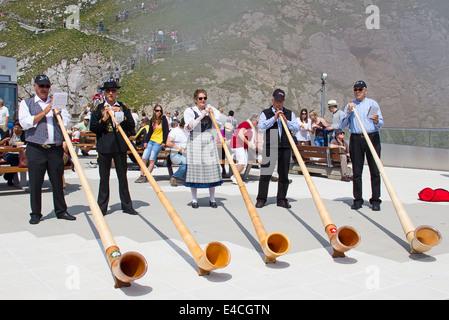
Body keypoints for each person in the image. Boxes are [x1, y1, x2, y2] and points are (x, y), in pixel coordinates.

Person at [18, 74, 75, 224]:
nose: (44, 89)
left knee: (57, 181)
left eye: (47, 86)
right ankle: (36, 213)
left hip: (54, 148)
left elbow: (67, 122)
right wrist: (44, 112)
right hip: (36, 148)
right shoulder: (27, 103)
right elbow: (24, 123)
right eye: (41, 86)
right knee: (36, 182)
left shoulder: (57, 103)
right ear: (35, 86)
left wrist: (59, 113)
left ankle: (61, 210)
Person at [90, 80, 138, 215]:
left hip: (120, 147)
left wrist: (120, 114)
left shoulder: (123, 107)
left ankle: (127, 206)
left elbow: (131, 125)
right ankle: (102, 208)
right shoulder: (99, 108)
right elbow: (93, 127)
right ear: (104, 93)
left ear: (117, 93)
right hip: (104, 148)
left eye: (113, 91)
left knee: (122, 178)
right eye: (108, 91)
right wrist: (104, 118)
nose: (111, 93)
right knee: (104, 179)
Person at [340, 80, 384, 211]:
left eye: (360, 89)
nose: (357, 92)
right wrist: (348, 112)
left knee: (375, 171)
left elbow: (380, 123)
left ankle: (375, 200)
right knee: (357, 171)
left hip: (372, 137)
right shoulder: (351, 106)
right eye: (355, 89)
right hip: (356, 139)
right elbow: (342, 125)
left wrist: (376, 120)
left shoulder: (372, 104)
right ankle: (358, 200)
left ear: (365, 91)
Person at [255, 89, 300, 208]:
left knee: (284, 174)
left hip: (285, 144)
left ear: (284, 101)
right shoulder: (266, 113)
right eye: (276, 101)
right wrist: (274, 118)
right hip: (271, 143)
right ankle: (261, 199)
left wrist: (286, 121)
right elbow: (261, 127)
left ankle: (281, 199)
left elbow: (296, 128)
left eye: (281, 101)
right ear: (272, 100)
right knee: (266, 173)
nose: (278, 103)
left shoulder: (290, 113)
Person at [183, 89, 223, 208]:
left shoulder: (212, 109)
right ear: (195, 100)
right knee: (195, 171)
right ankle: (195, 200)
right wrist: (202, 115)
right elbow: (190, 126)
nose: (203, 100)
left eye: (204, 98)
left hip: (208, 141)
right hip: (195, 141)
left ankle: (212, 199)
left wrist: (212, 115)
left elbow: (219, 124)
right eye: (200, 98)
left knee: (211, 170)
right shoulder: (189, 111)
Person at [135, 104, 169, 183]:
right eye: (157, 110)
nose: (159, 112)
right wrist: (146, 141)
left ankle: (147, 176)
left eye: (160, 111)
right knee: (144, 158)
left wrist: (164, 142)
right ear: (154, 111)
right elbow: (149, 131)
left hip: (158, 142)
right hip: (151, 141)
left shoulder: (163, 119)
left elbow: (166, 131)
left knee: (152, 159)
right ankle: (142, 175)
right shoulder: (152, 120)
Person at [229, 114, 259, 184]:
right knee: (242, 162)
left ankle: (237, 177)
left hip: (242, 146)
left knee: (244, 163)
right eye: (257, 122)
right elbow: (240, 134)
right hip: (237, 145)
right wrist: (248, 143)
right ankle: (234, 177)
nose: (257, 124)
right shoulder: (246, 124)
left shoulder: (250, 126)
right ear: (253, 121)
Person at [0, 120, 26, 186]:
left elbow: (27, 144)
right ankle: (10, 177)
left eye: (18, 128)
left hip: (20, 153)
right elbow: (0, 143)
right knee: (14, 160)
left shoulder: (24, 134)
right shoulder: (9, 132)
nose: (16, 129)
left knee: (18, 160)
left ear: (22, 128)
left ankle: (8, 176)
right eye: (15, 127)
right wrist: (5, 140)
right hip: (9, 153)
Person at [166, 118, 189, 187]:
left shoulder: (187, 131)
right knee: (185, 163)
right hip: (176, 153)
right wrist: (179, 148)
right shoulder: (174, 131)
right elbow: (168, 143)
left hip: (186, 153)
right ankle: (174, 177)